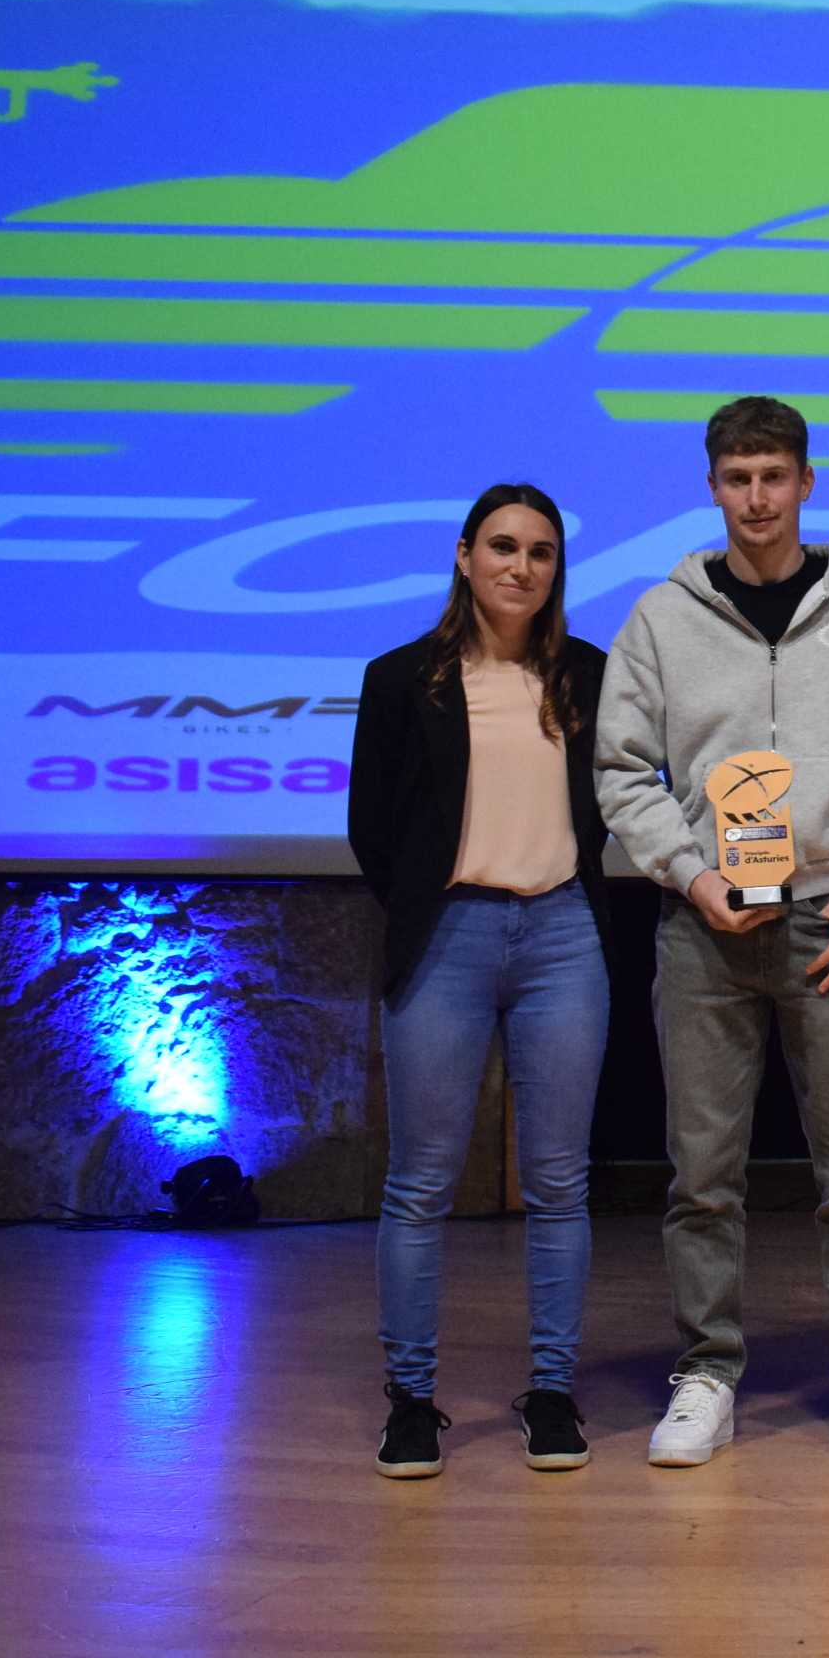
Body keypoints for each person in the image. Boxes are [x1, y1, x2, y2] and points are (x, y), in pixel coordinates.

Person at [595, 397, 829, 1467]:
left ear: (805, 483)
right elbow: (621, 769)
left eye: (774, 476)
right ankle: (705, 1371)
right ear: (713, 486)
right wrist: (692, 875)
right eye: (737, 477)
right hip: (705, 929)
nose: (756, 497)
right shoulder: (662, 615)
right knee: (702, 1170)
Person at [347, 483, 612, 1480]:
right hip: (447, 936)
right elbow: (374, 829)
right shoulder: (400, 677)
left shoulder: (588, 674)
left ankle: (551, 1391)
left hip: (562, 937)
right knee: (420, 1182)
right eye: (502, 546)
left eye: (541, 551)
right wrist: (438, 902)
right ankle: (412, 1401)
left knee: (557, 1180)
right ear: (464, 556)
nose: (521, 566)